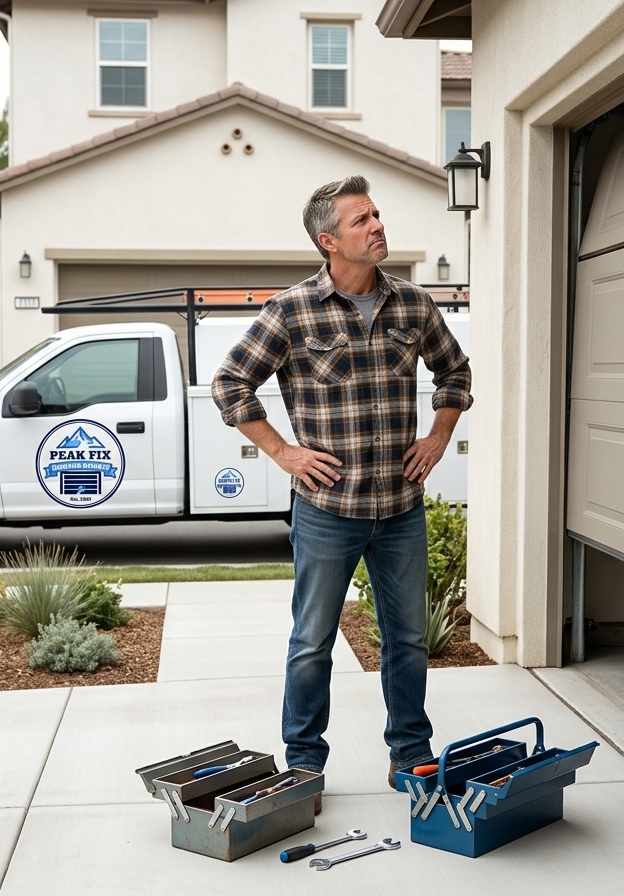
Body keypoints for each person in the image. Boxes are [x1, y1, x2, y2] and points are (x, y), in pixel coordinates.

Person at [212, 175, 473, 806]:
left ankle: (411, 755)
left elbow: (455, 371)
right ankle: (303, 763)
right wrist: (283, 452)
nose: (378, 225)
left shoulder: (412, 305)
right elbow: (230, 386)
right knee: (312, 644)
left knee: (407, 639)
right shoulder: (291, 311)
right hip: (329, 512)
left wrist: (438, 436)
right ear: (329, 241)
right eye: (362, 220)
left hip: (401, 508)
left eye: (377, 215)